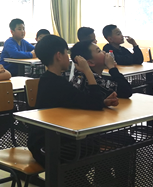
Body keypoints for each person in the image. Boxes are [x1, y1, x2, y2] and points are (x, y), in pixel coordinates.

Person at [28, 34, 118, 169]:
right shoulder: (56, 83)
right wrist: (87, 71)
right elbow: (94, 103)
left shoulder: (50, 79)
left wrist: (103, 102)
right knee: (92, 146)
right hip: (47, 146)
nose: (69, 58)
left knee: (93, 144)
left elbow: (81, 100)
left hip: (48, 139)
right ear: (59, 56)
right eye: (66, 53)